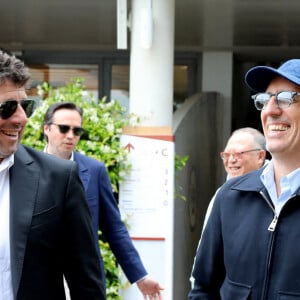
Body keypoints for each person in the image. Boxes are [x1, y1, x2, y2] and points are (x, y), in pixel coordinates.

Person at [189, 58, 300, 299]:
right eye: (265, 100)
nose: (270, 110)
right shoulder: (229, 197)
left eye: (284, 98)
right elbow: (203, 290)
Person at [0, 52, 106, 299]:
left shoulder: (59, 178)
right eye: (7, 108)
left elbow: (86, 284)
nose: (22, 118)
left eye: (26, 106)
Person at [42, 101, 164, 299]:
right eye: (64, 128)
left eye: (77, 130)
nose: (71, 136)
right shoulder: (27, 169)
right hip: (40, 278)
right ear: (46, 128)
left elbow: (114, 228)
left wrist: (140, 276)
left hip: (85, 280)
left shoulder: (94, 170)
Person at [202, 127, 267, 229]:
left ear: (260, 156)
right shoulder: (222, 193)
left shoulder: (275, 189)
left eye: (239, 154)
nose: (231, 160)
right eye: (227, 155)